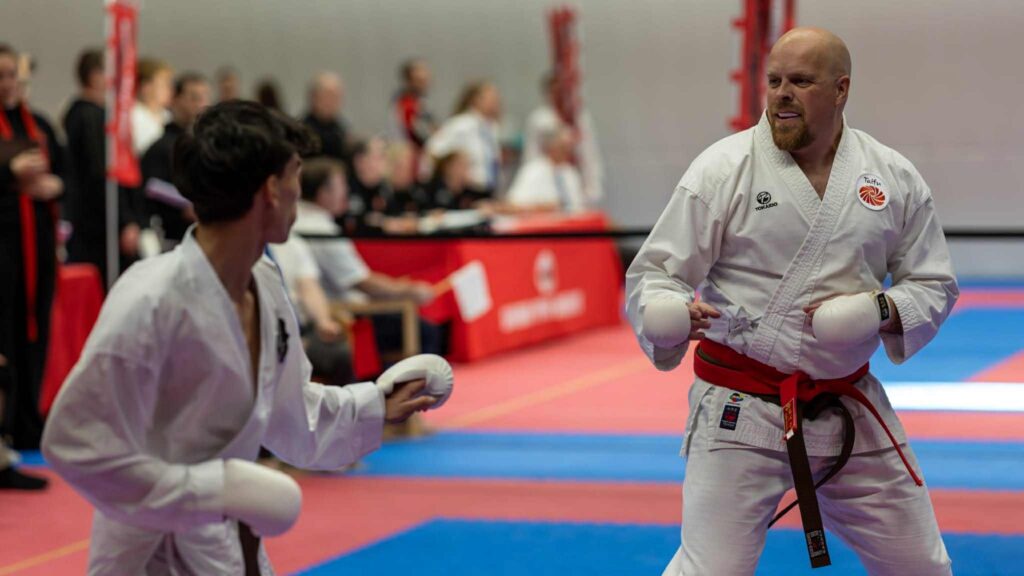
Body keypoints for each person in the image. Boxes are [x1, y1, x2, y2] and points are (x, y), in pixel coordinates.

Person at [42, 101, 451, 574]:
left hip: (228, 545)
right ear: (271, 191)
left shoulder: (264, 284)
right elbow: (74, 441)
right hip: (150, 555)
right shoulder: (152, 297)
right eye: (295, 176)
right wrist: (210, 490)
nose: (300, 193)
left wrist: (375, 403)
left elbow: (290, 408)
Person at [626, 28, 957, 575]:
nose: (782, 93)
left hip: (846, 402)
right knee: (710, 570)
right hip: (740, 406)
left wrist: (878, 310)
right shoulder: (722, 169)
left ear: (841, 89)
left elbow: (933, 282)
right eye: (774, 80)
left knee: (921, 565)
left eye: (801, 81)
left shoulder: (892, 176)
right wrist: (667, 311)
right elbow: (656, 273)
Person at [292, 157, 445, 358]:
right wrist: (407, 291)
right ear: (323, 193)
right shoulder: (322, 229)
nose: (346, 192)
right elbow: (361, 281)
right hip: (344, 315)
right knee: (426, 331)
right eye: (341, 185)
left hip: (325, 311)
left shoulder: (296, 221)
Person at [0, 43, 64, 458]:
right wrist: (10, 172)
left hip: (37, 250)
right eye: (2, 75)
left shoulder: (37, 124)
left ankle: (27, 420)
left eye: (13, 75)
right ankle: (4, 429)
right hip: (5, 249)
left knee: (35, 332)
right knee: (6, 335)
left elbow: (66, 174)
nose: (8, 83)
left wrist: (55, 187)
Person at [64, 48, 141, 277]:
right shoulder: (90, 117)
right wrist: (124, 221)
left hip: (95, 220)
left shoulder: (80, 114)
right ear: (95, 75)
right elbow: (103, 173)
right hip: (100, 224)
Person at [140, 71, 210, 245]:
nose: (201, 105)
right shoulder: (161, 148)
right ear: (176, 99)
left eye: (204, 98)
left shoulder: (209, 145)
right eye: (194, 98)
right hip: (171, 236)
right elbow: (149, 189)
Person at [523, 72, 604, 203]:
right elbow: (532, 153)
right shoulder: (539, 119)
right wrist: (531, 177)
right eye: (555, 92)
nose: (559, 96)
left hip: (575, 178)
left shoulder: (579, 118)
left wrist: (593, 185)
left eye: (562, 92)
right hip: (549, 179)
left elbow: (589, 153)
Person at [424, 81, 502, 195]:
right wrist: (450, 178)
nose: (496, 102)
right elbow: (433, 149)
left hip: (488, 190)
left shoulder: (492, 128)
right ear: (476, 99)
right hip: (467, 190)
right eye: (491, 98)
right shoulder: (460, 125)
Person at [507, 122, 587, 213]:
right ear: (549, 147)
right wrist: (542, 207)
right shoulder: (532, 171)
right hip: (543, 220)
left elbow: (579, 206)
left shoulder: (570, 173)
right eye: (562, 146)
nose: (566, 150)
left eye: (567, 147)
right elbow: (513, 205)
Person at [391, 58, 436, 176]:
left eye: (425, 79)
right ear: (409, 81)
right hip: (410, 163)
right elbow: (420, 135)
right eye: (420, 80)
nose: (425, 83)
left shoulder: (419, 102)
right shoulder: (407, 104)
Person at [302, 72, 351, 163]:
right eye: (328, 96)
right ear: (314, 97)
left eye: (336, 97)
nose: (332, 102)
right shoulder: (302, 130)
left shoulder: (342, 131)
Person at [131, 58, 173, 155]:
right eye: (164, 84)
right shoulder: (133, 116)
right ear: (146, 87)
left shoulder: (168, 115)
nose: (170, 89)